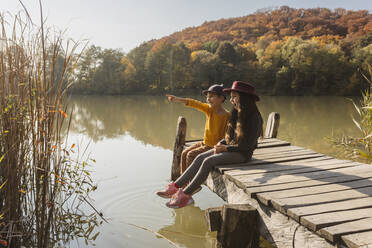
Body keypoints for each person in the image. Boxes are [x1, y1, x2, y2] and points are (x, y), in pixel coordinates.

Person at [157, 81, 263, 208]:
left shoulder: (254, 118)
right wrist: (221, 143)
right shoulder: (236, 113)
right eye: (231, 97)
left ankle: (185, 195)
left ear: (244, 98)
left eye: (234, 97)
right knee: (200, 157)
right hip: (230, 149)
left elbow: (248, 146)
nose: (231, 100)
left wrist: (226, 148)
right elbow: (229, 137)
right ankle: (175, 186)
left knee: (208, 161)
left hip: (242, 154)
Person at [165, 84, 229, 175]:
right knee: (184, 153)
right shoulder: (209, 109)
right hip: (204, 143)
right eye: (207, 97)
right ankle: (184, 181)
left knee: (190, 155)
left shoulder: (227, 116)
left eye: (211, 97)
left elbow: (228, 135)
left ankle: (190, 182)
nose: (208, 99)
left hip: (213, 147)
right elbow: (194, 103)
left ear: (221, 98)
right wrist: (177, 99)